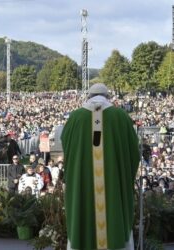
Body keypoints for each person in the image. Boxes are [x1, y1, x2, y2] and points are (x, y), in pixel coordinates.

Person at [61, 83, 140, 250]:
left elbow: (67, 149)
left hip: (83, 185)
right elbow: (134, 154)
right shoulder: (121, 117)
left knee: (82, 215)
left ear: (88, 96)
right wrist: (122, 173)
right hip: (113, 187)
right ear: (107, 96)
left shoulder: (76, 117)